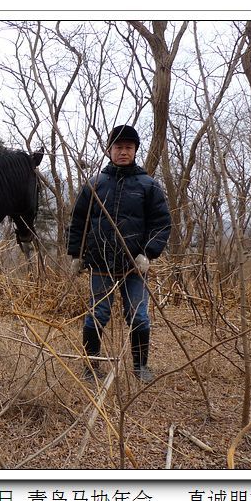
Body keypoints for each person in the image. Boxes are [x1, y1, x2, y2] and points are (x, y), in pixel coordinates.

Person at [66, 125, 172, 382]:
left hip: (134, 265)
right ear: (109, 150)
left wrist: (147, 254)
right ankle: (90, 367)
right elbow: (79, 221)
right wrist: (76, 254)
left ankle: (140, 367)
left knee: (138, 315)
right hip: (100, 263)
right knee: (97, 314)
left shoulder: (149, 186)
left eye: (128, 148)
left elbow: (161, 223)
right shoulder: (94, 185)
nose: (123, 152)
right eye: (118, 147)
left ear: (135, 151)